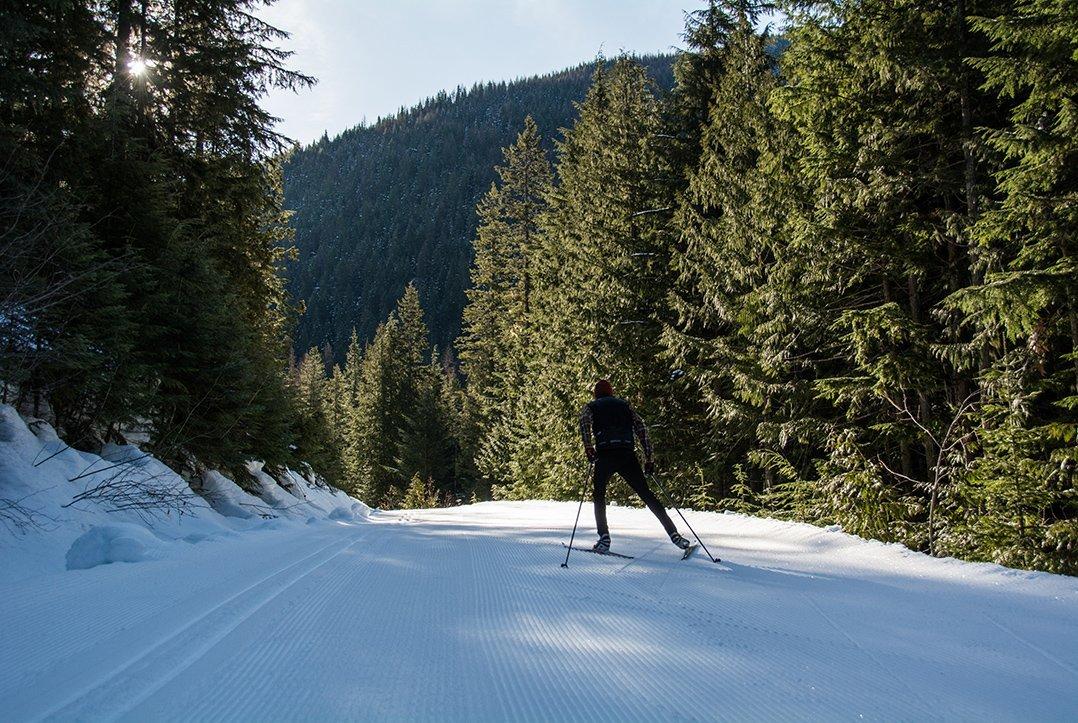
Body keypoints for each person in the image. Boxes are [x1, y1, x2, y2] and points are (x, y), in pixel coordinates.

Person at [579, 378, 691, 554]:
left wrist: (588, 447)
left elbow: (584, 424)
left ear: (596, 394)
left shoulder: (591, 407)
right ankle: (674, 534)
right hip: (626, 454)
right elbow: (641, 429)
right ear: (611, 392)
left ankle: (604, 538)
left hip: (605, 454)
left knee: (599, 495)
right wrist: (648, 457)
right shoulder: (625, 405)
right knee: (646, 494)